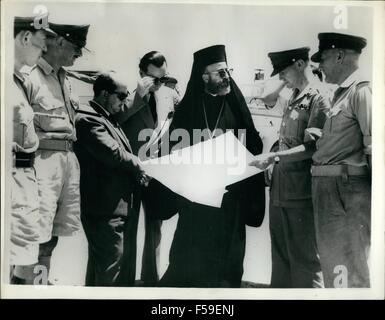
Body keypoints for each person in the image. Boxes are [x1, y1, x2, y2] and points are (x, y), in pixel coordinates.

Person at [157, 44, 265, 287]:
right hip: (197, 204)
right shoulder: (188, 110)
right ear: (204, 77)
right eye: (220, 72)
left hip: (231, 202)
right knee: (190, 263)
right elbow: (172, 151)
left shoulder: (235, 108)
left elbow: (254, 145)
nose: (227, 76)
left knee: (229, 265)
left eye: (228, 71)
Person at [250, 47, 327, 288]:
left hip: (301, 194)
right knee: (281, 261)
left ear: (300, 64)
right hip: (280, 193)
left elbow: (313, 147)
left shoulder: (318, 98)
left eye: (282, 72)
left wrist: (274, 158)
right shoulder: (295, 96)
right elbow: (267, 99)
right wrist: (286, 82)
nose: (280, 78)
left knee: (305, 263)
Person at [27, 22, 90, 283]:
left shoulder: (65, 79)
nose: (80, 55)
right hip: (40, 163)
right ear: (60, 42)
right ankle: (25, 287)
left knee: (52, 236)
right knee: (34, 235)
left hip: (65, 163)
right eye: (77, 47)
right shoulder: (28, 75)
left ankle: (40, 284)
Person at [74, 72, 150, 286]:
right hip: (105, 210)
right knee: (111, 271)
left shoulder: (106, 118)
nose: (124, 101)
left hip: (114, 208)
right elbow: (114, 153)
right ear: (105, 94)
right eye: (122, 96)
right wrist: (140, 164)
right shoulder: (88, 119)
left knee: (104, 269)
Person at [310, 33, 371, 287]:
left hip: (345, 191)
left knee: (351, 268)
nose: (319, 66)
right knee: (334, 267)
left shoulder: (362, 91)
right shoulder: (340, 95)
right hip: (330, 190)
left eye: (322, 58)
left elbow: (375, 147)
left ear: (338, 55)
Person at [116, 51, 180, 286]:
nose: (160, 84)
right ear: (142, 74)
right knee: (129, 229)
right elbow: (116, 120)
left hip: (158, 171)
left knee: (155, 228)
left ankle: (151, 281)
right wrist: (139, 97)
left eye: (164, 78)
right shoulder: (127, 95)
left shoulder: (169, 95)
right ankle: (125, 283)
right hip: (133, 170)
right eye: (155, 79)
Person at [10, 16, 56, 284]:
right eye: (41, 44)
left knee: (23, 263)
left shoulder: (17, 82)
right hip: (12, 182)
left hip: (24, 182)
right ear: (25, 38)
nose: (44, 50)